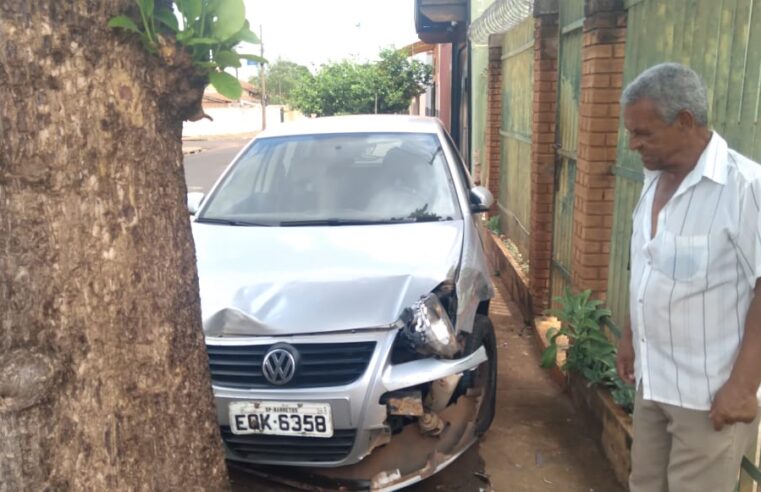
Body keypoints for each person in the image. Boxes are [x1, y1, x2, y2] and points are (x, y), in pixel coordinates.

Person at [616, 62, 761, 492]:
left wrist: (742, 387)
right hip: (654, 382)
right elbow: (647, 262)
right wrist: (629, 334)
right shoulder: (653, 178)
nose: (632, 144)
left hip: (710, 399)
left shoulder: (745, 187)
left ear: (684, 121)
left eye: (643, 133)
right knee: (644, 485)